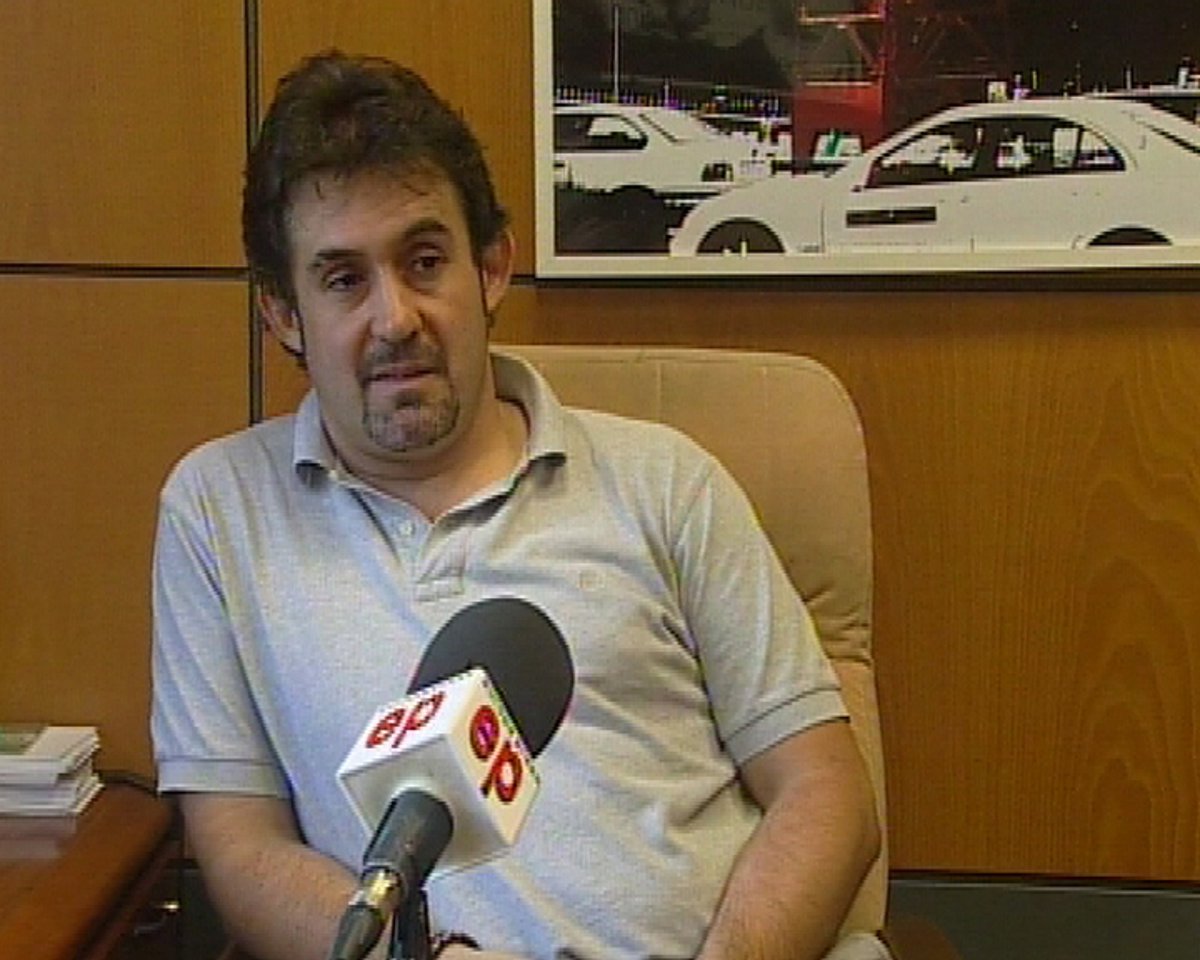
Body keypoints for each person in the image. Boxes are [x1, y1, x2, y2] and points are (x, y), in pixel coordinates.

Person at [151, 50, 882, 960]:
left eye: (425, 262)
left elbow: (826, 793)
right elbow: (240, 851)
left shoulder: (666, 481)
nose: (395, 319)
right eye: (343, 280)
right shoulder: (218, 513)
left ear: (491, 268)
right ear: (283, 315)